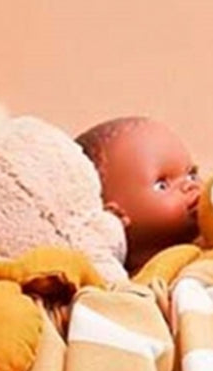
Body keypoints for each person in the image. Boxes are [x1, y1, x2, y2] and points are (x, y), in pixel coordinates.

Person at [76, 117, 202, 275]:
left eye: (192, 174)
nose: (190, 186)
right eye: (162, 185)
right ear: (115, 215)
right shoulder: (115, 279)